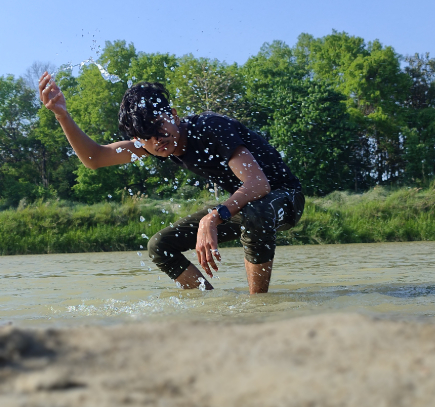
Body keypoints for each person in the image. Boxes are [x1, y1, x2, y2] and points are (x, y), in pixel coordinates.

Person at [38, 72, 304, 294]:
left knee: (255, 211)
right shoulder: (152, 144)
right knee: (160, 247)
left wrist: (213, 217)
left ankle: (259, 308)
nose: (157, 140)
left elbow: (258, 184)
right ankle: (210, 304)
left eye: (159, 128)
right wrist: (62, 115)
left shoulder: (211, 127)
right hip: (245, 207)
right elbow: (95, 158)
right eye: (146, 137)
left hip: (285, 199)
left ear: (174, 115)